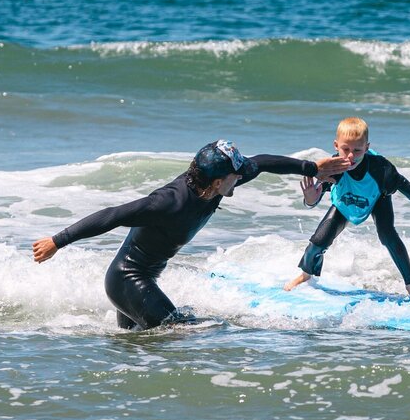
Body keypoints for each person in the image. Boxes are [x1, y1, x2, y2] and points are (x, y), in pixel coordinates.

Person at [32, 140, 352, 330]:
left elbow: (264, 163)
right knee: (187, 333)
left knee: (139, 352)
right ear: (216, 181)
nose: (242, 177)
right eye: (235, 175)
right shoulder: (168, 202)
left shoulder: (220, 181)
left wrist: (311, 168)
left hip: (143, 282)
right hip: (127, 279)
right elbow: (113, 216)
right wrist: (57, 241)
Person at [284, 118, 410, 304]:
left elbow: (402, 183)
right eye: (345, 149)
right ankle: (306, 274)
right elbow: (313, 200)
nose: (351, 156)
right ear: (336, 145)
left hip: (377, 198)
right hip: (344, 200)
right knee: (317, 242)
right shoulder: (332, 167)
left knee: (388, 236)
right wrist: (310, 198)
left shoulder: (381, 168)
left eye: (358, 150)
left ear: (367, 147)